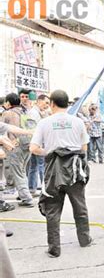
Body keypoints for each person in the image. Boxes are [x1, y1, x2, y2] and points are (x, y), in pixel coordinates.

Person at [30, 90, 92, 258]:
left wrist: (51, 152)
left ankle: (54, 248)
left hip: (53, 171)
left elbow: (33, 148)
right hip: (74, 170)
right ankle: (85, 239)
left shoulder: (44, 123)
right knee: (80, 206)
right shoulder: (78, 122)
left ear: (52, 104)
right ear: (68, 104)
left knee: (53, 209)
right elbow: (84, 148)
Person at [2, 93, 34, 207]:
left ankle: (27, 198)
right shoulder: (25, 111)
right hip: (27, 144)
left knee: (18, 172)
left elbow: (3, 129)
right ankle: (23, 194)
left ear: (9, 103)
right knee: (22, 170)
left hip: (15, 145)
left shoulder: (7, 113)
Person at [0, 122, 34, 212]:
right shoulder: (23, 111)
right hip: (24, 145)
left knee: (19, 173)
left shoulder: (9, 113)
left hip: (17, 147)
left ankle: (26, 197)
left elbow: (9, 128)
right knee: (21, 172)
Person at [27, 94, 50, 195]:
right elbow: (34, 129)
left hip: (35, 143)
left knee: (34, 166)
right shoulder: (34, 113)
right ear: (39, 101)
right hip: (38, 143)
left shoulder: (38, 112)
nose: (47, 105)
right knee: (41, 166)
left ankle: (32, 188)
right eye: (46, 103)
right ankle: (45, 188)